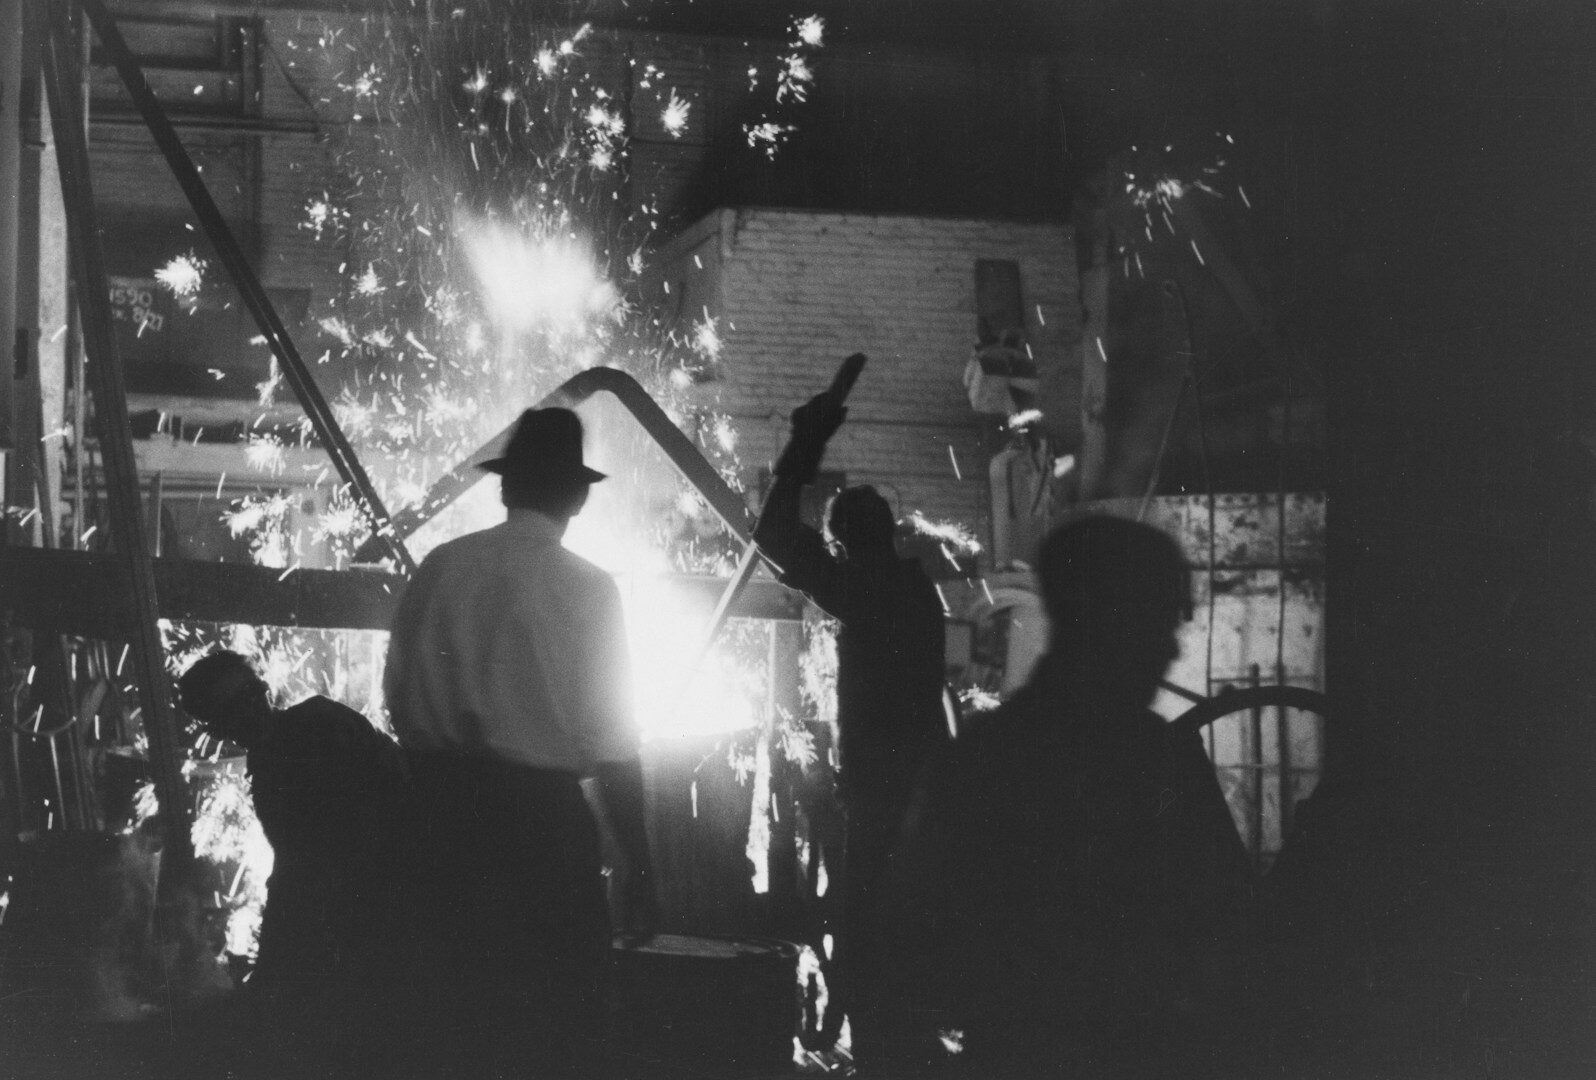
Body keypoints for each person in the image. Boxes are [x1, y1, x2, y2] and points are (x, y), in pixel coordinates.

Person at [875, 515, 1256, 1077]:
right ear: (1110, 622)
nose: (1172, 648)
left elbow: (909, 961)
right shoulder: (1161, 761)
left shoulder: (983, 759)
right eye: (1158, 621)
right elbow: (1234, 929)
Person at [383, 406, 657, 1078]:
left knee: (449, 1019)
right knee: (554, 1022)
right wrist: (641, 861)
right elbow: (615, 741)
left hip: (439, 819)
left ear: (506, 487)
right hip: (542, 834)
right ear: (579, 495)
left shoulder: (442, 568)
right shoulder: (591, 590)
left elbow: (397, 697)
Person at [753, 387, 948, 1057]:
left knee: (871, 931)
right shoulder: (914, 587)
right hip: (925, 788)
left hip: (882, 795)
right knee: (901, 936)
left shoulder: (864, 588)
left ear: (839, 544)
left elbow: (773, 534)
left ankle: (876, 1051)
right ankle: (888, 1044)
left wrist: (805, 444)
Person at [176, 649, 408, 993]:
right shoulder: (276, 764)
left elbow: (317, 861)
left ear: (262, 690)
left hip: (387, 908)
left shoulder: (321, 729)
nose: (242, 720)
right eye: (228, 715)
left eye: (246, 701)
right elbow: (298, 867)